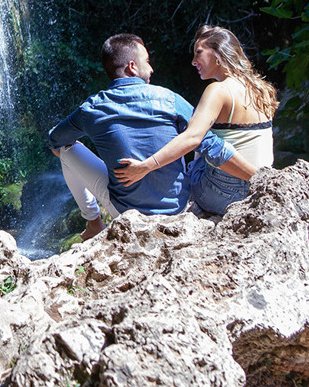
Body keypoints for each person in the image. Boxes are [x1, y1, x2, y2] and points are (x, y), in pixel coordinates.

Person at [49, 33, 255, 240]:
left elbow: (55, 140)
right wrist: (259, 177)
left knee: (66, 150)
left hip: (127, 213)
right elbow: (213, 146)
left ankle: (93, 221)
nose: (151, 68)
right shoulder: (170, 99)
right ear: (132, 67)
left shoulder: (91, 108)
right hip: (178, 208)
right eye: (147, 61)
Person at [115, 25, 277, 214]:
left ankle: (179, 206)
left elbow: (192, 138)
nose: (193, 61)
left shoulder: (219, 90)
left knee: (200, 137)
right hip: (262, 184)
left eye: (198, 53)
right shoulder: (261, 88)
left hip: (226, 192)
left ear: (218, 53)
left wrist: (146, 166)